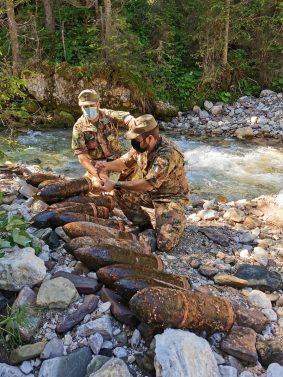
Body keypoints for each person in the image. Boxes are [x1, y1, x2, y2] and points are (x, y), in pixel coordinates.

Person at [96, 114, 189, 252]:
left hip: (170, 198)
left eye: (136, 139)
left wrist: (114, 184)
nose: (134, 142)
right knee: (120, 193)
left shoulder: (167, 154)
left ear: (150, 138)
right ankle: (145, 225)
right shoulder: (142, 146)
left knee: (164, 244)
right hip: (151, 193)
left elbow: (148, 183)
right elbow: (124, 162)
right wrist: (106, 166)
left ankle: (177, 218)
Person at [72, 89, 135, 187]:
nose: (88, 109)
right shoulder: (78, 127)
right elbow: (82, 157)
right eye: (85, 107)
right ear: (81, 107)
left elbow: (125, 117)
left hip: (117, 157)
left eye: (91, 105)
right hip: (97, 163)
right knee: (99, 185)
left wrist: (132, 122)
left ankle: (121, 189)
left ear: (98, 104)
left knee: (135, 166)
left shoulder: (108, 115)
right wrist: (97, 174)